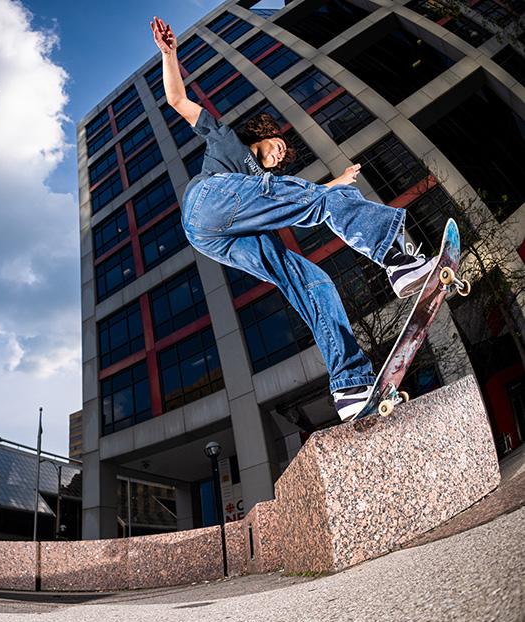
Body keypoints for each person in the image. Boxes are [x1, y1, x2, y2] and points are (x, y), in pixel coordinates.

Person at [150, 17, 437, 421]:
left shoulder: (270, 185)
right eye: (278, 146)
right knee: (300, 195)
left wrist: (334, 184)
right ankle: (396, 255)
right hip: (207, 201)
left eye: (284, 156)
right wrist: (170, 55)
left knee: (310, 282)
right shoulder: (229, 140)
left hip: (226, 238)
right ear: (261, 135)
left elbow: (305, 198)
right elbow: (179, 102)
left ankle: (351, 385)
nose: (280, 155)